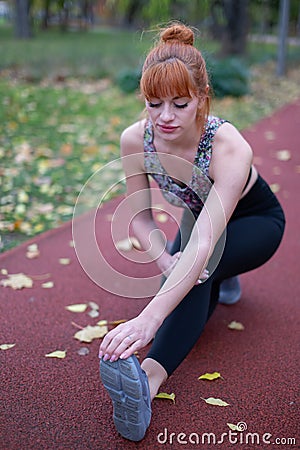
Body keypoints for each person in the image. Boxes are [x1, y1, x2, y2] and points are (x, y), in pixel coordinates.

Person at [99, 22, 285, 442]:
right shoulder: (135, 140)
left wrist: (150, 318)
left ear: (202, 97)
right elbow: (141, 217)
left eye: (180, 104)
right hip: (198, 219)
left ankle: (145, 383)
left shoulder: (228, 145)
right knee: (190, 267)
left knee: (202, 266)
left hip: (254, 221)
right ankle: (220, 272)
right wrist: (164, 257)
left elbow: (203, 242)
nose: (165, 117)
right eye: (153, 103)